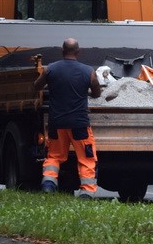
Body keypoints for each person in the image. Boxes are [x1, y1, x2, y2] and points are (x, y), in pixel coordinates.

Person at [32, 38, 102, 198]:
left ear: (62, 51)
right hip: (79, 124)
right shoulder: (88, 71)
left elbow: (36, 86)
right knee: (86, 157)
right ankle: (87, 192)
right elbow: (97, 93)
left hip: (57, 123)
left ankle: (48, 184)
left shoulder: (51, 69)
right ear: (78, 51)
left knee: (54, 156)